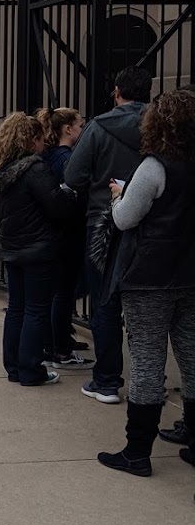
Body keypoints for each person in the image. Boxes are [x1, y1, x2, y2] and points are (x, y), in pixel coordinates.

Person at [96, 88, 195, 478]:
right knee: (191, 355)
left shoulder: (155, 166)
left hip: (149, 276)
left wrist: (120, 196)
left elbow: (125, 219)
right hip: (189, 273)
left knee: (148, 362)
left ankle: (137, 452)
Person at [64, 67, 153, 404]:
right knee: (149, 307)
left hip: (103, 223)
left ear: (117, 91)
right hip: (152, 224)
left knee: (105, 303)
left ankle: (106, 380)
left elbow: (73, 175)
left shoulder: (99, 126)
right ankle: (150, 381)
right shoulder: (161, 126)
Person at [0, 111, 79, 386]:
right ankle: (30, 369)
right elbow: (58, 206)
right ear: (31, 140)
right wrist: (69, 195)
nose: (43, 144)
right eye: (40, 139)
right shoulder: (35, 169)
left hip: (13, 248)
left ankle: (14, 366)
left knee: (17, 309)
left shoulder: (1, 171)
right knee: (36, 311)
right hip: (38, 249)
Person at [36, 106, 89, 367]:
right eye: (79, 125)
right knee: (63, 292)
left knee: (59, 291)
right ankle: (61, 348)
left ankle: (57, 344)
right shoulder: (66, 158)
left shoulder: (48, 156)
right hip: (67, 232)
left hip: (53, 233)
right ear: (67, 129)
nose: (82, 129)